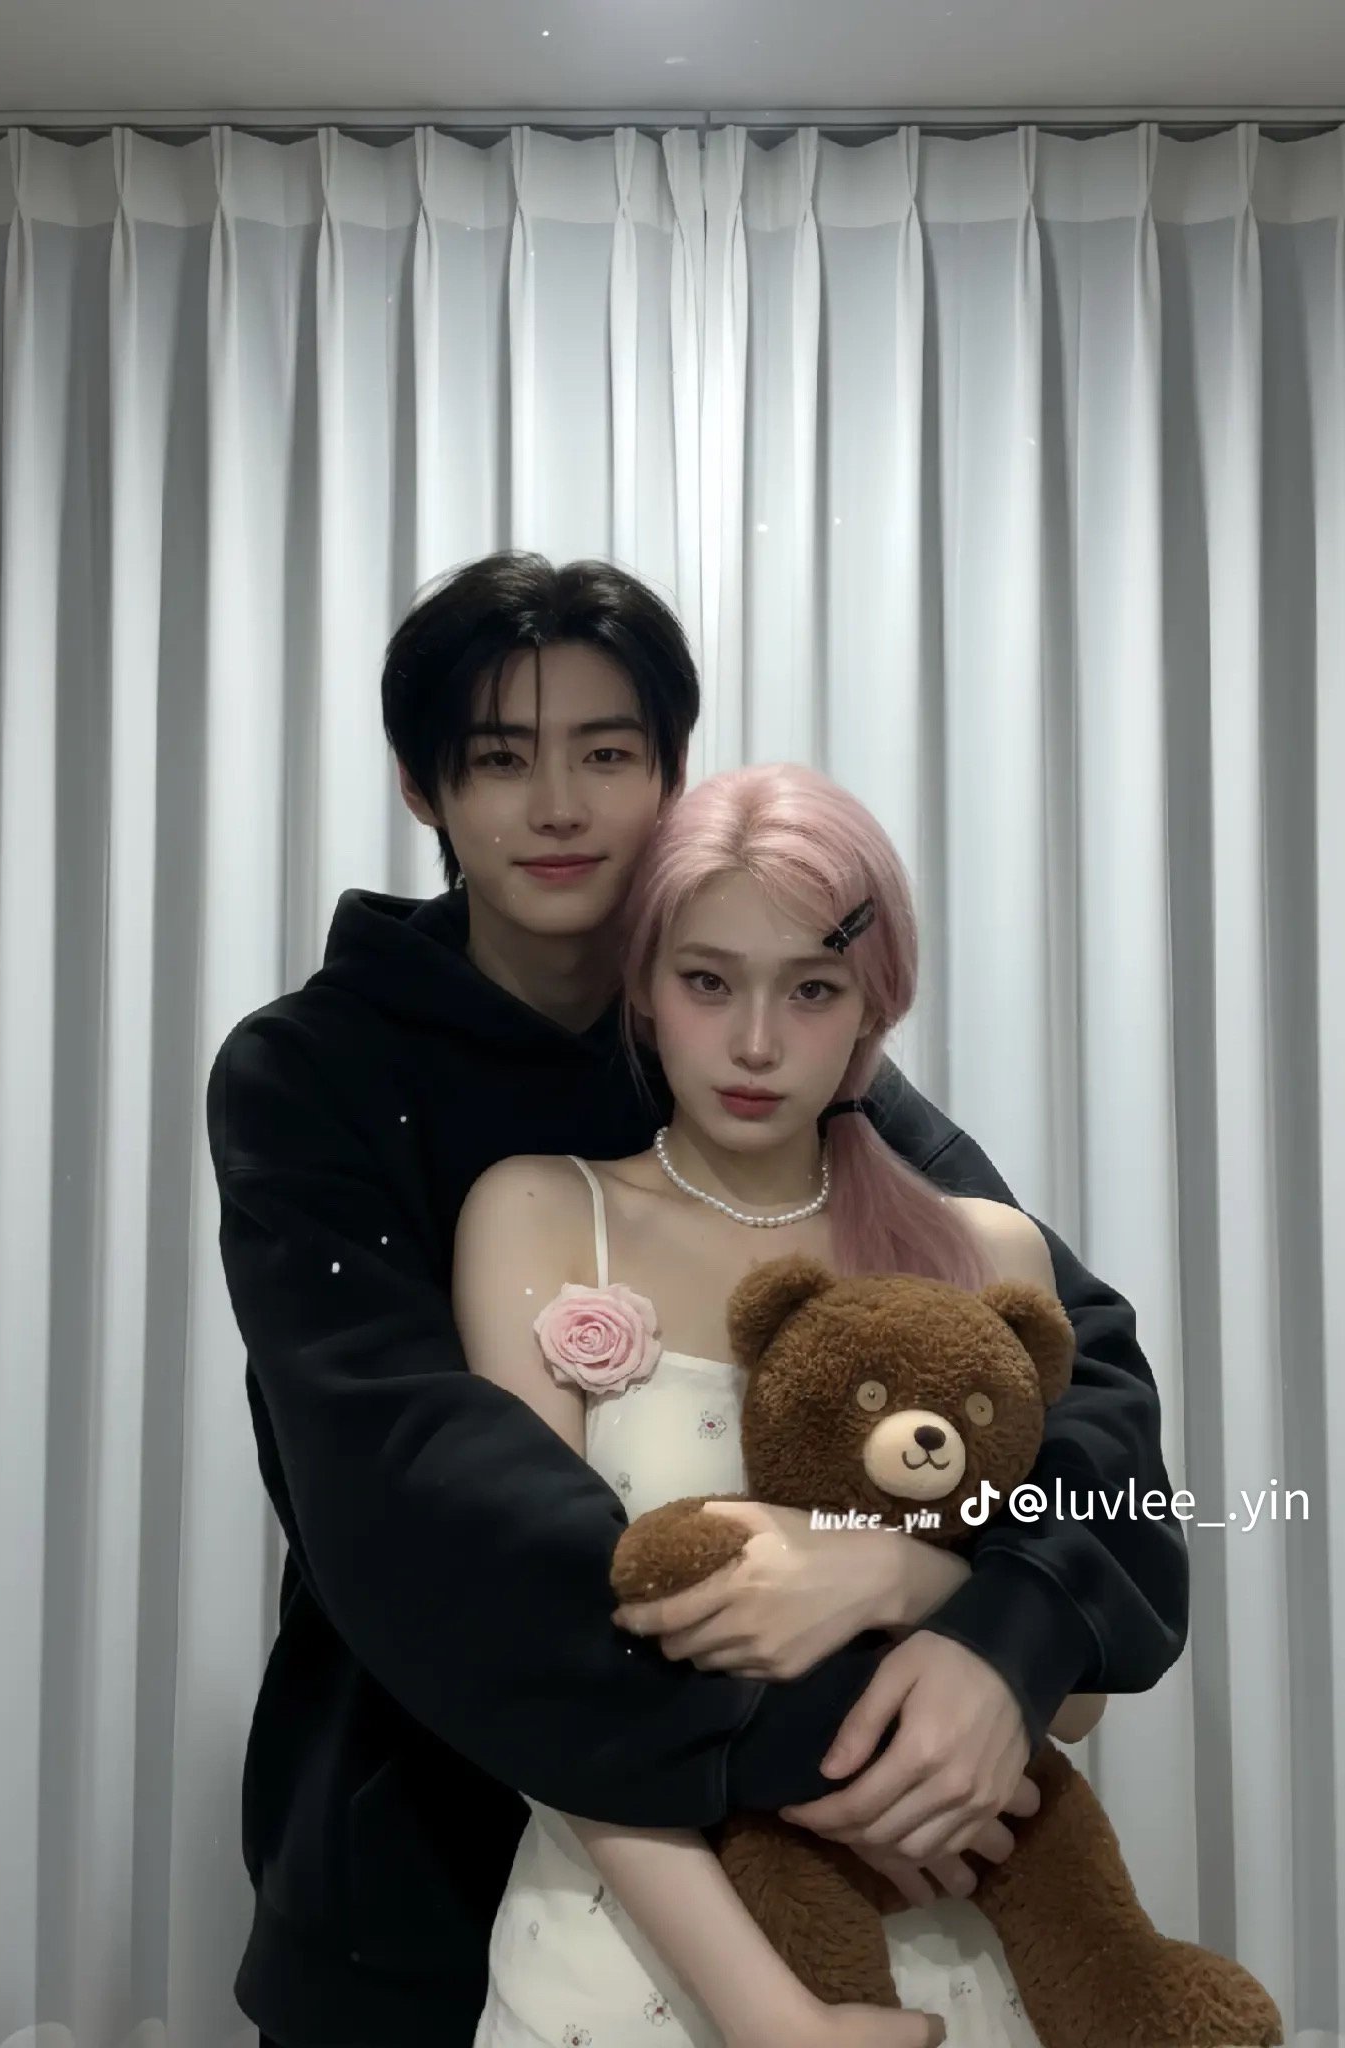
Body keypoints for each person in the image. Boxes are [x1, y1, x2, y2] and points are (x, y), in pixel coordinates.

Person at [205, 552, 1188, 2048]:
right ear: (420, 785)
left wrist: (993, 1626)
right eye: (500, 757)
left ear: (670, 770)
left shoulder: (737, 1038)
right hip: (427, 1850)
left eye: (607, 754)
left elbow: (1077, 1370)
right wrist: (856, 1753)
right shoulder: (317, 1076)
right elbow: (418, 1497)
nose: (559, 806)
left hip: (865, 1889)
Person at [457, 761, 1106, 2048]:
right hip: (624, 1950)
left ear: (873, 1001)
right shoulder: (541, 1213)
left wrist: (901, 1572)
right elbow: (532, 1663)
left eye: (812, 988)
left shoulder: (989, 1254)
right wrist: (773, 2015)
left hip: (945, 1938)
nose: (756, 1042)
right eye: (709, 981)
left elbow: (1077, 1694)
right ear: (643, 986)